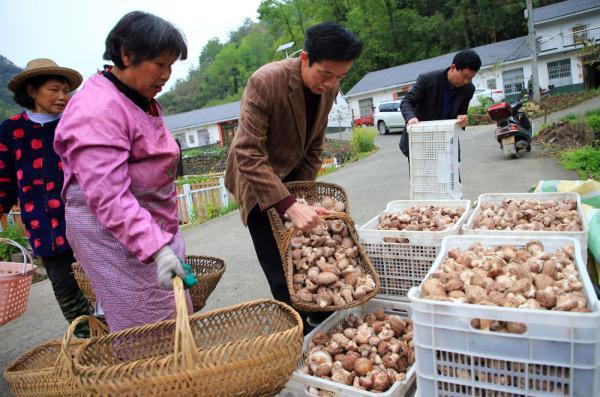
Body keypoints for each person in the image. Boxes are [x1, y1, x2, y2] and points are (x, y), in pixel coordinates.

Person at [54, 11, 191, 332]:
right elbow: (108, 195)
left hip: (151, 226)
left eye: (171, 66)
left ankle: (178, 374)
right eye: (160, 64)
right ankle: (148, 379)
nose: (166, 75)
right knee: (143, 323)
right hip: (112, 234)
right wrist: (156, 248)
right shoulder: (97, 108)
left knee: (174, 311)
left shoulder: (139, 97)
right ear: (126, 55)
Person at [225, 22, 362, 334]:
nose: (331, 83)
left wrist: (304, 196)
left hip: (293, 178)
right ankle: (297, 334)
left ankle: (319, 318)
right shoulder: (265, 81)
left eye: (340, 76)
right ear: (304, 58)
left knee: (303, 258)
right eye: (326, 73)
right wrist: (287, 204)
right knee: (280, 268)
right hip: (256, 181)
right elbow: (247, 153)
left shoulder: (328, 89)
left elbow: (314, 146)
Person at [0, 59, 93, 337]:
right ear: (32, 90)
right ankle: (91, 342)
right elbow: (3, 180)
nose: (63, 96)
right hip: (45, 230)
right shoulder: (10, 131)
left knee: (102, 286)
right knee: (67, 295)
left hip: (86, 223)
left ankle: (117, 342)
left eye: (66, 90)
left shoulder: (76, 124)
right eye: (54, 89)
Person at [399, 49, 482, 158]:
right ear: (453, 68)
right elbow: (406, 102)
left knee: (453, 175)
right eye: (464, 76)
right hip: (420, 142)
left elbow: (461, 112)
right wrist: (410, 117)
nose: (466, 81)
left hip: (447, 144)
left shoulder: (468, 89)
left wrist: (462, 119)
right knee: (423, 175)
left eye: (470, 78)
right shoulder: (427, 80)